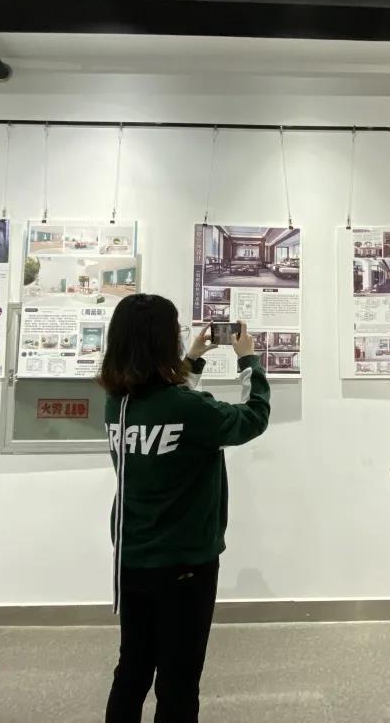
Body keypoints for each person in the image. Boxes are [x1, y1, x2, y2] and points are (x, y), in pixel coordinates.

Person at [100, 294, 271, 723]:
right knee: (178, 680)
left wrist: (193, 360)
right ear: (164, 341)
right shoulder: (190, 409)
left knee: (133, 668)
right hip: (185, 564)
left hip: (132, 558)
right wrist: (249, 361)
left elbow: (170, 409)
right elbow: (254, 417)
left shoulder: (117, 403)